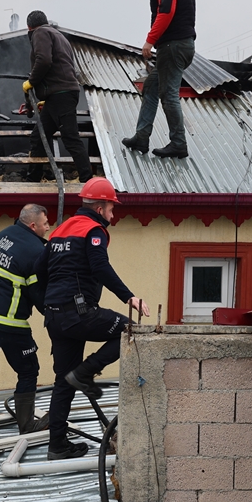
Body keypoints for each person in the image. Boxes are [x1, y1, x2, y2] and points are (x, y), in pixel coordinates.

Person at [38, 177, 149, 460]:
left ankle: (57, 446)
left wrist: (50, 306)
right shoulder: (93, 230)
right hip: (78, 312)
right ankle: (85, 373)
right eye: (112, 207)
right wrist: (129, 297)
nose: (114, 213)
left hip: (54, 317)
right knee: (128, 329)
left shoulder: (59, 232)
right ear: (100, 208)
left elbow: (41, 272)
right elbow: (100, 267)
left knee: (63, 381)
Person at [0, 203, 51, 442]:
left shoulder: (3, 235)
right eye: (45, 224)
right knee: (28, 370)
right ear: (33, 225)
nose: (48, 228)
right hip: (7, 322)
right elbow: (37, 294)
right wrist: (56, 314)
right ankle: (27, 425)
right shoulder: (35, 250)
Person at [122, 0, 196, 159]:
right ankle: (142, 137)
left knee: (168, 94)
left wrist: (149, 40)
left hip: (173, 46)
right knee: (152, 87)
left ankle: (178, 143)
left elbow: (166, 10)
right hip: (182, 45)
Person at [23, 11, 93, 183]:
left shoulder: (40, 32)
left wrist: (31, 81)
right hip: (59, 95)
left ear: (29, 27)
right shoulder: (59, 36)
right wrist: (45, 97)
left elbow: (44, 60)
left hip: (60, 94)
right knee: (38, 136)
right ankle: (34, 178)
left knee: (70, 138)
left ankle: (87, 181)